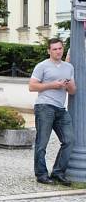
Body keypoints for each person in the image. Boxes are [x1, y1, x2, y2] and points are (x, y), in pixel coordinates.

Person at [29, 38, 76, 185]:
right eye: (54, 49)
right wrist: (52, 85)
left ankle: (58, 172)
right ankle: (41, 174)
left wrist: (67, 85)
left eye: (60, 48)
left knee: (69, 140)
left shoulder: (68, 67)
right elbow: (32, 86)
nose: (58, 51)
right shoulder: (42, 66)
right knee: (42, 143)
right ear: (49, 51)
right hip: (44, 106)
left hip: (61, 109)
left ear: (63, 49)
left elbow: (73, 91)